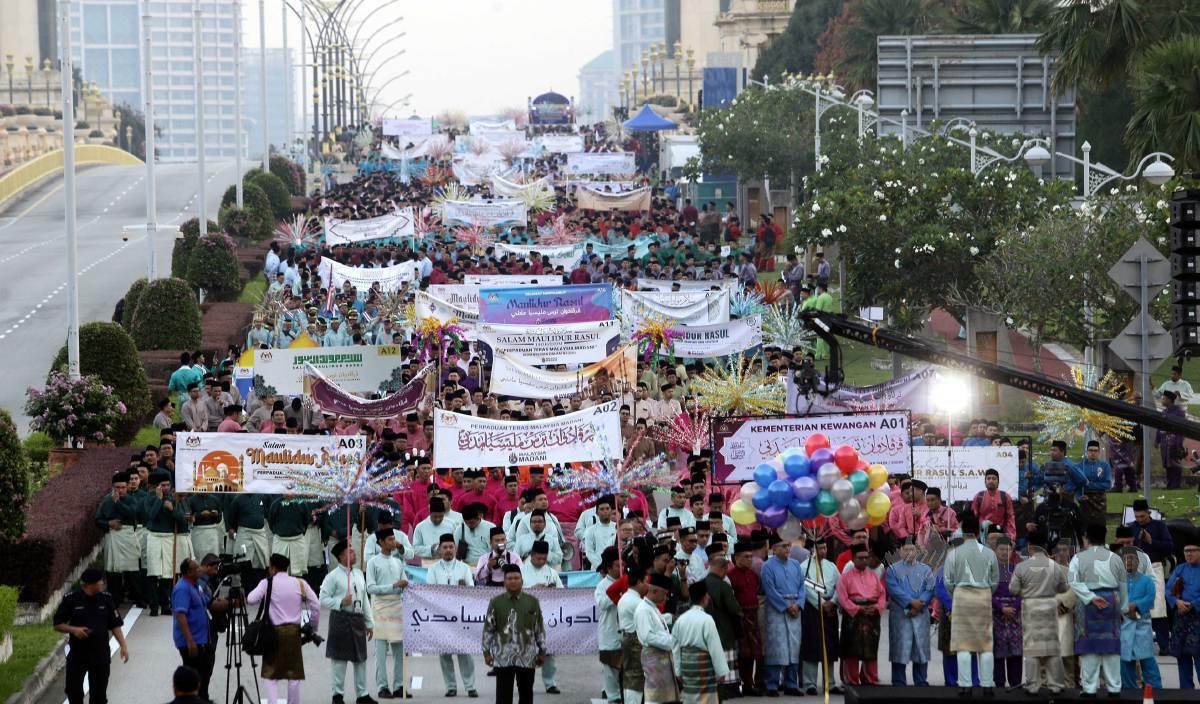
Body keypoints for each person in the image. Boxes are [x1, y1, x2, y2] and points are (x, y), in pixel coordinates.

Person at [245, 553, 321, 704]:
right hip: (294, 632)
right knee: (293, 675)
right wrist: (313, 626)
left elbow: (251, 599)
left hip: (273, 632)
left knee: (270, 673)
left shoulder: (267, 583)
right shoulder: (300, 583)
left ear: (273, 568)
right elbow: (316, 605)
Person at [1068, 523, 1126, 698]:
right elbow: (1123, 585)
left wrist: (1091, 597)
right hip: (1111, 601)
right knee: (1111, 645)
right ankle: (1114, 687)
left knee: (1089, 646)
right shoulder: (1115, 558)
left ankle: (1090, 688)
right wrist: (1122, 608)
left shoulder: (1078, 558)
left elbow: (1073, 582)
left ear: (1086, 538)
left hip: (1088, 604)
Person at [54, 568, 129, 704]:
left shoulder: (106, 599)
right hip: (78, 655)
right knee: (73, 691)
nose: (103, 583)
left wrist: (123, 646)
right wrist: (74, 630)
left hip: (100, 655)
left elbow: (115, 625)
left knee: (99, 696)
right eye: (101, 581)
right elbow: (57, 624)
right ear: (90, 584)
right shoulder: (71, 598)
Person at [943, 514, 999, 696]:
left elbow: (947, 581)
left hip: (961, 596)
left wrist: (957, 593)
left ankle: (965, 685)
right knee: (985, 643)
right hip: (983, 596)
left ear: (962, 530)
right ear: (978, 531)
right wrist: (986, 592)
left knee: (963, 643)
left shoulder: (954, 553)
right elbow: (995, 580)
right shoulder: (989, 553)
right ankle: (987, 684)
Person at [1007, 530, 1068, 695]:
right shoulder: (1054, 566)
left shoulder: (1021, 567)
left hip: (1030, 607)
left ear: (1029, 546)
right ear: (1044, 546)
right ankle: (1056, 684)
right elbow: (1064, 588)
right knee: (1052, 647)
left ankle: (1032, 685)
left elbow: (1013, 589)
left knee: (1031, 648)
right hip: (1050, 606)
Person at [319, 539, 377, 704]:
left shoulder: (359, 573)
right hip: (340, 619)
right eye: (350, 552)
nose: (354, 553)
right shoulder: (333, 577)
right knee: (339, 660)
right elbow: (322, 598)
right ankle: (337, 695)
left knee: (360, 659)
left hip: (357, 619)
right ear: (342, 556)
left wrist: (369, 622)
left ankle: (362, 694)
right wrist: (340, 602)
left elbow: (365, 599)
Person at [482, 564, 547, 704]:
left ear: (522, 581)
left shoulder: (532, 602)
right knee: (503, 696)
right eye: (509, 578)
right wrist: (486, 652)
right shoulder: (496, 603)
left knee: (526, 694)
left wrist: (542, 651)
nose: (513, 581)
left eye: (516, 578)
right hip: (503, 657)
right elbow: (489, 628)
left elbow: (539, 628)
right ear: (504, 581)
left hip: (527, 656)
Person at [425, 533, 478, 697]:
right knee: (445, 653)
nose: (448, 550)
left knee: (464, 652)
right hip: (442, 617)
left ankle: (470, 686)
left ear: (455, 548)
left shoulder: (464, 568)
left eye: (451, 547)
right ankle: (451, 687)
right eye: (445, 547)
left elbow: (471, 590)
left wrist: (463, 590)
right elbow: (430, 592)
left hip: (460, 617)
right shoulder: (433, 569)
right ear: (439, 550)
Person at [365, 530, 410, 699]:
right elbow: (370, 588)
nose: (394, 542)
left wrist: (402, 585)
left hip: (397, 607)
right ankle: (382, 686)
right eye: (390, 539)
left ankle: (399, 686)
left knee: (399, 650)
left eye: (394, 539)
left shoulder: (398, 562)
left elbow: (403, 582)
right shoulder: (373, 563)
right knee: (381, 651)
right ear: (381, 542)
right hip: (380, 608)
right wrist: (392, 586)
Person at [885, 538, 934, 686]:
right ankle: (898, 681)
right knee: (900, 648)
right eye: (906, 549)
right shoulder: (892, 570)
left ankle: (921, 680)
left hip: (920, 612)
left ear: (917, 551)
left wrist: (920, 603)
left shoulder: (926, 569)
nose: (909, 552)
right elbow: (894, 589)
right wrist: (910, 603)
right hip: (900, 614)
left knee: (921, 649)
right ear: (900, 551)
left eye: (912, 549)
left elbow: (930, 588)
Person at [760, 534, 804, 695]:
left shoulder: (795, 565)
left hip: (795, 609)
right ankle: (772, 684)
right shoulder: (767, 566)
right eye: (784, 546)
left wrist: (798, 605)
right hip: (776, 611)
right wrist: (786, 607)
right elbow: (769, 590)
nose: (787, 549)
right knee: (776, 647)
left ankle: (791, 684)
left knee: (794, 646)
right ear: (774, 548)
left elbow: (802, 587)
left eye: (788, 545)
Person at [837, 542, 886, 686]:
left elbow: (882, 595)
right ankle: (852, 680)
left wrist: (877, 607)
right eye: (860, 558)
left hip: (871, 615)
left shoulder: (873, 576)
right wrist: (857, 609)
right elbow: (842, 597)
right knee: (851, 650)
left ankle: (870, 678)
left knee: (871, 649)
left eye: (866, 557)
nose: (864, 560)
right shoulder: (845, 577)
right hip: (854, 615)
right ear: (853, 559)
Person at [674, 580, 730, 704]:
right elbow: (715, 648)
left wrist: (677, 670)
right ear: (705, 598)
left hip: (687, 669)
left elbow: (676, 647)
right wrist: (721, 672)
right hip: (704, 669)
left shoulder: (680, 620)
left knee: (690, 699)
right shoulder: (707, 620)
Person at [519, 540, 562, 694]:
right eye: (538, 558)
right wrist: (533, 589)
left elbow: (562, 594)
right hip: (525, 618)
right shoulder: (521, 571)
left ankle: (550, 683)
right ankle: (525, 684)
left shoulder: (552, 573)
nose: (542, 561)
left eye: (544, 559)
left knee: (548, 652)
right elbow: (513, 593)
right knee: (525, 651)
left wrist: (551, 591)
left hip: (547, 619)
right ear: (532, 555)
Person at [800, 538, 840, 695]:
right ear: (812, 550)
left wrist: (833, 602)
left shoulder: (832, 566)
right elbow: (807, 589)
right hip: (813, 610)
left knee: (829, 647)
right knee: (811, 645)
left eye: (825, 548)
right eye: (820, 548)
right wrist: (822, 604)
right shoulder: (804, 567)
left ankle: (830, 682)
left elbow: (840, 586)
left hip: (830, 610)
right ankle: (809, 683)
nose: (823, 551)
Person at [1120, 546, 1162, 690]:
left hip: (1142, 627)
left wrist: (1135, 606)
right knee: (1125, 663)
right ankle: (1130, 694)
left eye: (1132, 558)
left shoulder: (1147, 581)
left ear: (1138, 562)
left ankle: (1156, 693)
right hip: (1124, 628)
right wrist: (1126, 608)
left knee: (1147, 661)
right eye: (1126, 559)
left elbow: (1150, 600)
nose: (1129, 561)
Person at [702, 555, 742, 699]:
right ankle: (727, 688)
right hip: (724, 629)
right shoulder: (723, 586)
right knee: (726, 659)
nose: (726, 571)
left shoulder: (702, 584)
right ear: (722, 568)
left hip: (706, 629)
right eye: (725, 568)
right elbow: (733, 608)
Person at [637, 573, 680, 704]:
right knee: (655, 696)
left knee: (666, 696)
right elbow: (648, 636)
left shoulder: (652, 608)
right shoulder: (643, 609)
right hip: (653, 658)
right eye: (664, 594)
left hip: (662, 658)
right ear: (655, 591)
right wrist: (672, 642)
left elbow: (659, 631)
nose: (666, 598)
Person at [990, 536, 1023, 689]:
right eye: (1001, 549)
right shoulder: (990, 569)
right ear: (995, 550)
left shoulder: (1017, 569)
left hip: (1015, 615)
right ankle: (999, 683)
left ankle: (1016, 683)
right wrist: (1000, 607)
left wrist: (1014, 607)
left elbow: (1022, 592)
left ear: (1012, 551)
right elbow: (987, 592)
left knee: (1015, 651)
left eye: (1007, 549)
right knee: (998, 651)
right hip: (997, 615)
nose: (1004, 552)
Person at [1167, 541, 1200, 688]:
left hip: (1198, 616)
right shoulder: (1180, 569)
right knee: (1182, 655)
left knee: (1198, 655)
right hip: (1181, 617)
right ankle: (1186, 692)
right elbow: (1168, 590)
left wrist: (1192, 604)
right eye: (1186, 551)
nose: (1189, 553)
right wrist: (1177, 602)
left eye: (1193, 550)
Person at [595, 548, 623, 704]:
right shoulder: (602, 585)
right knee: (610, 669)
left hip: (627, 632)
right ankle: (612, 697)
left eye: (623, 565)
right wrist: (617, 590)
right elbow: (603, 604)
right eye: (618, 565)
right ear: (609, 567)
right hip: (610, 631)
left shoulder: (628, 582)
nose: (621, 568)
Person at [619, 568, 650, 704]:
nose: (647, 585)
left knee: (629, 676)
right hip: (634, 640)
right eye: (645, 582)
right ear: (638, 582)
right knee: (636, 677)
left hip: (627, 638)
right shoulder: (636, 602)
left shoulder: (626, 598)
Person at [971, 469, 1015, 539]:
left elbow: (1010, 518)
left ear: (998, 482)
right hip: (983, 534)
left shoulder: (1005, 496)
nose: (991, 481)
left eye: (994, 478)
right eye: (988, 478)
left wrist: (1011, 537)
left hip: (1000, 533)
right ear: (985, 482)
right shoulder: (979, 496)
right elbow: (973, 518)